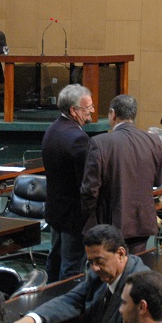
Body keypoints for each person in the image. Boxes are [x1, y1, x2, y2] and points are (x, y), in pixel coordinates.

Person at [1, 225, 149, 323]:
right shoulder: (99, 275)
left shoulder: (140, 287)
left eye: (99, 261)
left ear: (120, 253)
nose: (95, 268)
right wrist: (33, 318)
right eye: (91, 262)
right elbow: (73, 299)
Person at [81, 95, 162, 254]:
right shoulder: (153, 140)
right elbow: (157, 181)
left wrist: (89, 220)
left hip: (110, 224)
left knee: (109, 267)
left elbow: (90, 190)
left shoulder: (100, 142)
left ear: (113, 113)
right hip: (142, 222)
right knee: (136, 265)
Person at [42, 84, 93, 282]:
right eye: (87, 107)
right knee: (72, 269)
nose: (92, 111)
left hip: (56, 211)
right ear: (73, 110)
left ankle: (50, 296)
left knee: (55, 261)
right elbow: (85, 182)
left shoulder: (53, 129)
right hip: (73, 216)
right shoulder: (78, 138)